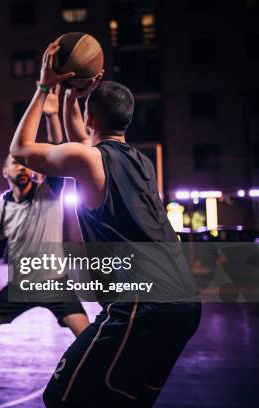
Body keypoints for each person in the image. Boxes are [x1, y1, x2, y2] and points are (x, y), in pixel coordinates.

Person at [10, 41, 201, 407]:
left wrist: (44, 85)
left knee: (60, 397)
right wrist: (72, 97)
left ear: (91, 119)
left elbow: (20, 150)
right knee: (124, 401)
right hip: (185, 304)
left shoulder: (90, 160)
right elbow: (79, 139)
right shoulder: (141, 163)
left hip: (143, 303)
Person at [0, 86, 89, 407]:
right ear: (6, 172)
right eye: (16, 163)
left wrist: (53, 115)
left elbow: (59, 156)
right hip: (21, 285)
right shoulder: (1, 207)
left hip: (55, 283)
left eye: (26, 163)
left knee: (90, 340)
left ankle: (89, 393)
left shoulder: (48, 192)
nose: (23, 167)